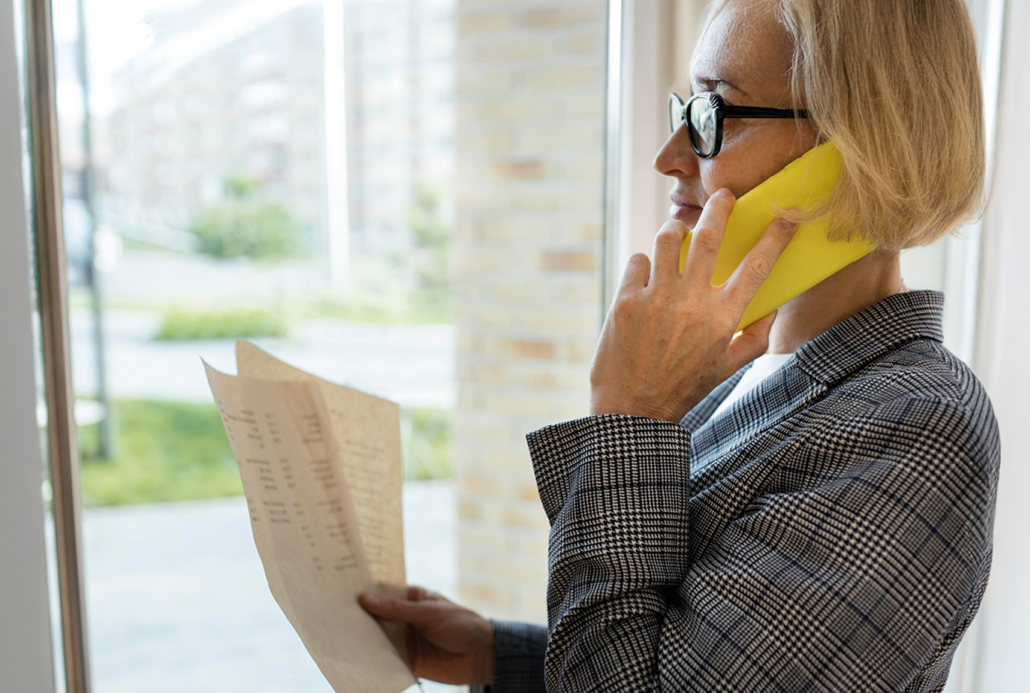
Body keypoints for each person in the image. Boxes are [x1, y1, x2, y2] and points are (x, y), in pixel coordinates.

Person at [360, 0, 1000, 690]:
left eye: (714, 113)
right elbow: (692, 654)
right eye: (685, 107)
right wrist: (502, 656)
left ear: (862, 146)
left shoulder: (920, 427)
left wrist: (629, 417)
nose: (669, 157)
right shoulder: (742, 369)